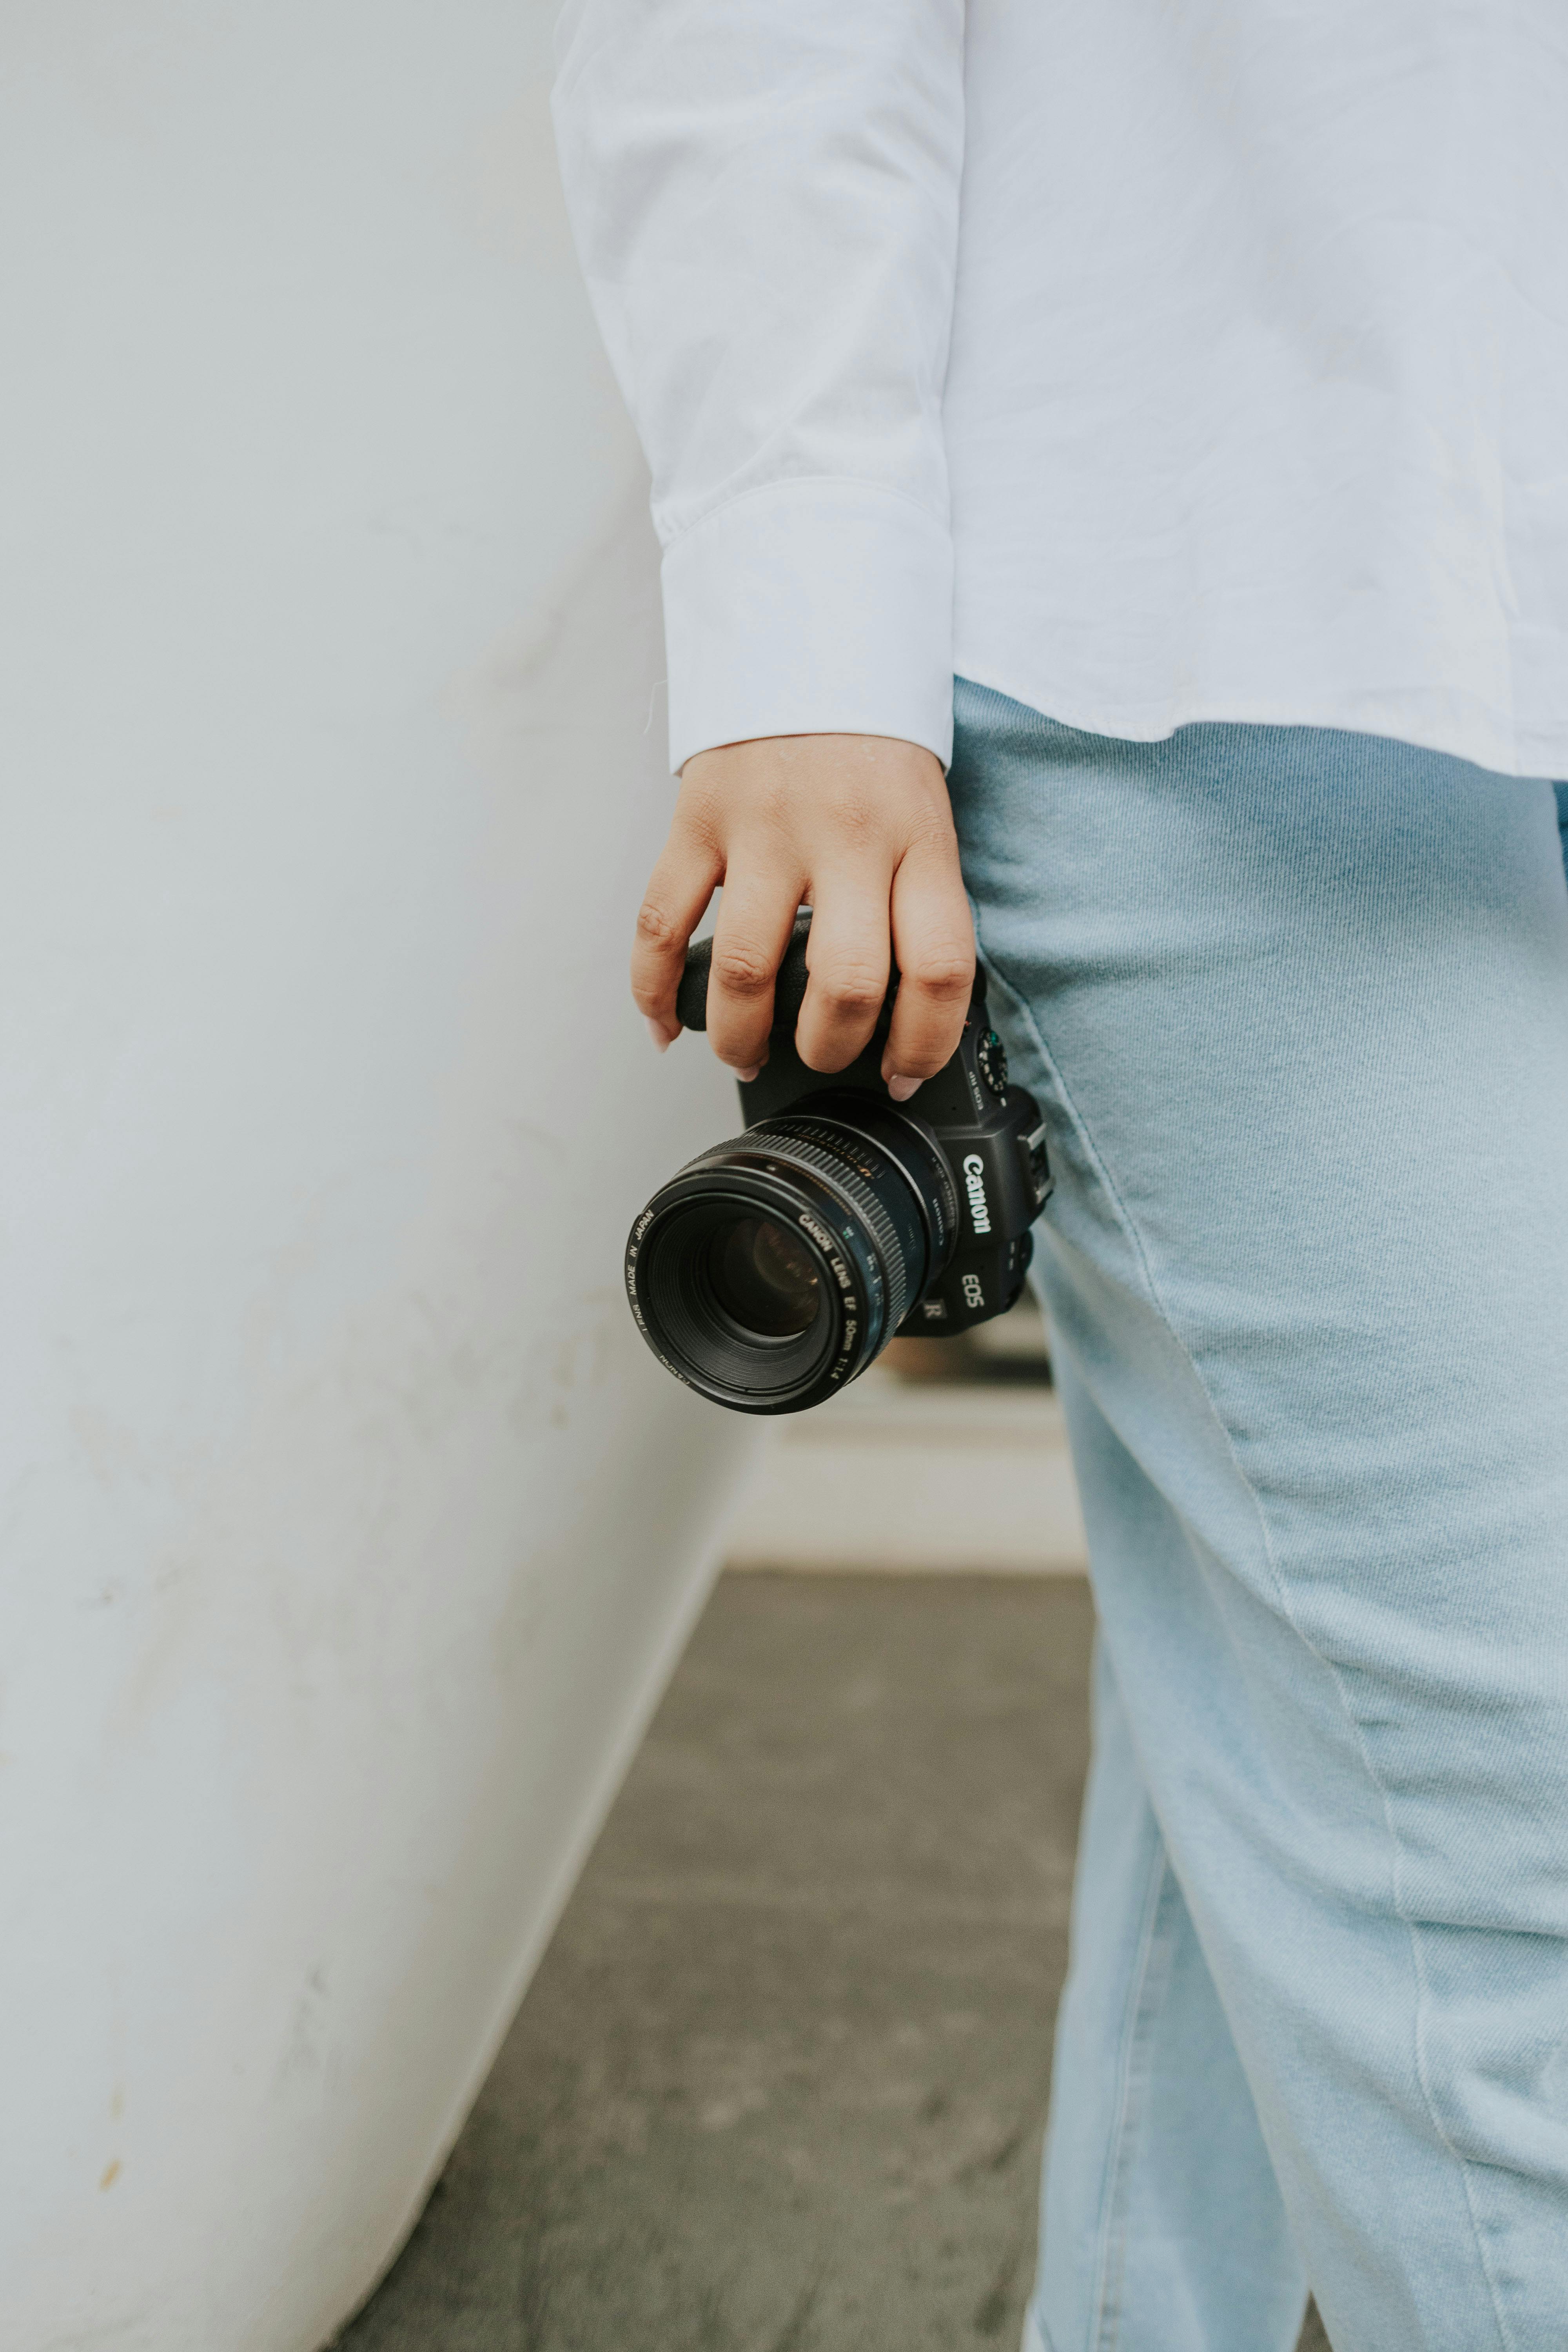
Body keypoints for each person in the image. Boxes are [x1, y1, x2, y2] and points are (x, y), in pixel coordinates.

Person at [551, 6, 1568, 2345]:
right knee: (1512, 1874)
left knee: (1324, 1733)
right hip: (1213, 609)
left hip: (1480, 560)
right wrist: (805, 637)